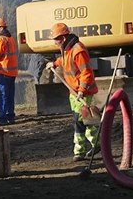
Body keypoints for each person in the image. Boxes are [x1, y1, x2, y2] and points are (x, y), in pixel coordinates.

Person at [45, 22, 100, 162]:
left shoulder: (78, 50)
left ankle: (90, 147)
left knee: (82, 121)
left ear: (63, 38)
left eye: (56, 39)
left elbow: (86, 72)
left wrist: (82, 90)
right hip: (74, 92)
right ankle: (88, 148)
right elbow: (65, 61)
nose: (55, 42)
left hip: (83, 93)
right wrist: (55, 63)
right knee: (80, 121)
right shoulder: (67, 49)